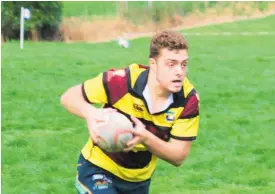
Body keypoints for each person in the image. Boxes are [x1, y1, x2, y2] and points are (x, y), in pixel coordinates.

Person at [60, 30, 200, 194]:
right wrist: (90, 113)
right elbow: (69, 97)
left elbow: (178, 156)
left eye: (184, 64)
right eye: (171, 64)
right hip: (98, 168)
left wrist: (145, 137)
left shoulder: (187, 100)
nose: (179, 71)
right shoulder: (121, 81)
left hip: (138, 181)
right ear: (153, 64)